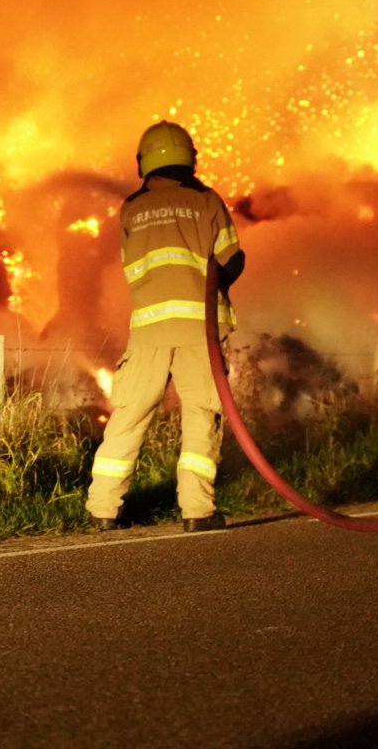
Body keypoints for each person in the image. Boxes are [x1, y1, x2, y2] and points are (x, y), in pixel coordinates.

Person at [86, 120, 244, 533]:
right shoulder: (208, 201)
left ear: (144, 162)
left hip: (150, 330)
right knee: (201, 416)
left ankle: (103, 508)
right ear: (189, 158)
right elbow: (231, 259)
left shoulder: (131, 209)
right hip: (200, 332)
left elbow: (130, 265)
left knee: (129, 415)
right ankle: (197, 510)